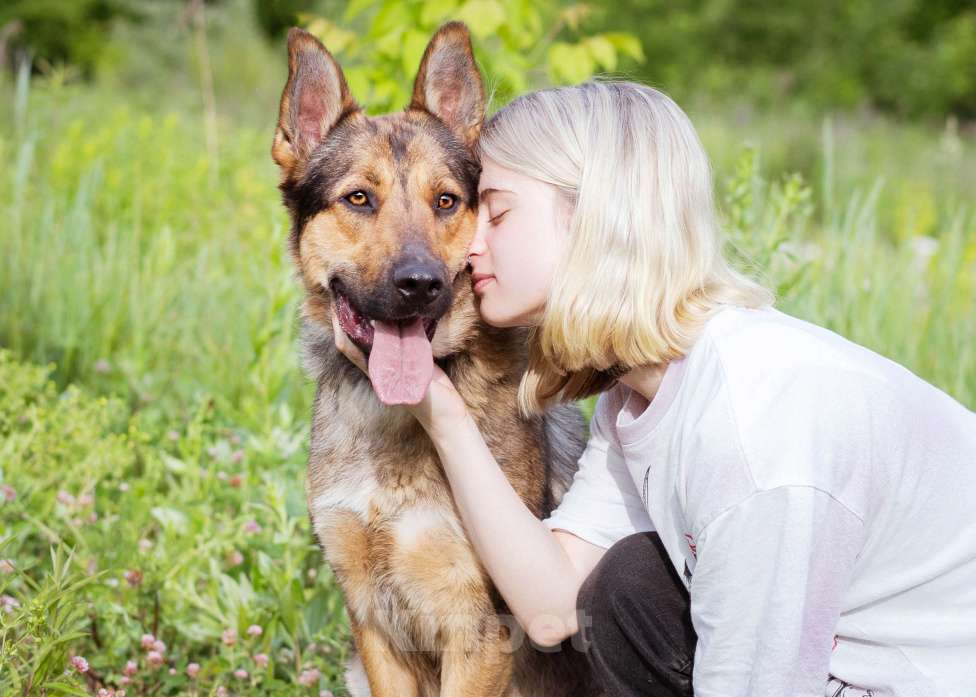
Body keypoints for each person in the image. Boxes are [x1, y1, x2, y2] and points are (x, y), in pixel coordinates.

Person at [331, 80, 976, 697]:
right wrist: (440, 411)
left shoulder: (755, 427)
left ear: (595, 221)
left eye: (495, 212)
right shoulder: (638, 395)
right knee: (627, 590)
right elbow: (555, 608)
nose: (466, 244)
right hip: (842, 667)